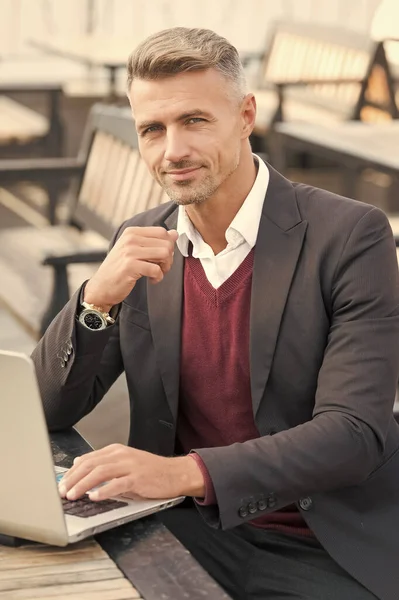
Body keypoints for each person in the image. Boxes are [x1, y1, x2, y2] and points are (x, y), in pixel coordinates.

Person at [32, 27, 399, 600]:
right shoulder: (139, 242)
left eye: (195, 121)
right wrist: (95, 298)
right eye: (152, 129)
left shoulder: (351, 236)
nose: (171, 150)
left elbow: (354, 434)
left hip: (323, 543)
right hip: (184, 530)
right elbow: (44, 410)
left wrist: (183, 472)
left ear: (246, 114)